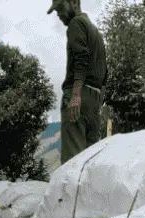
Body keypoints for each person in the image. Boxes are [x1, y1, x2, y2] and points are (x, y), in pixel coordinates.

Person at [48, 0, 107, 164]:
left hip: (78, 96)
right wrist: (96, 102)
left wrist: (75, 96)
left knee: (73, 162)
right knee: (90, 162)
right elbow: (104, 71)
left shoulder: (76, 23)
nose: (58, 15)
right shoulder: (95, 31)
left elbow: (81, 59)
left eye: (60, 8)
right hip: (93, 100)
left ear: (74, 2)